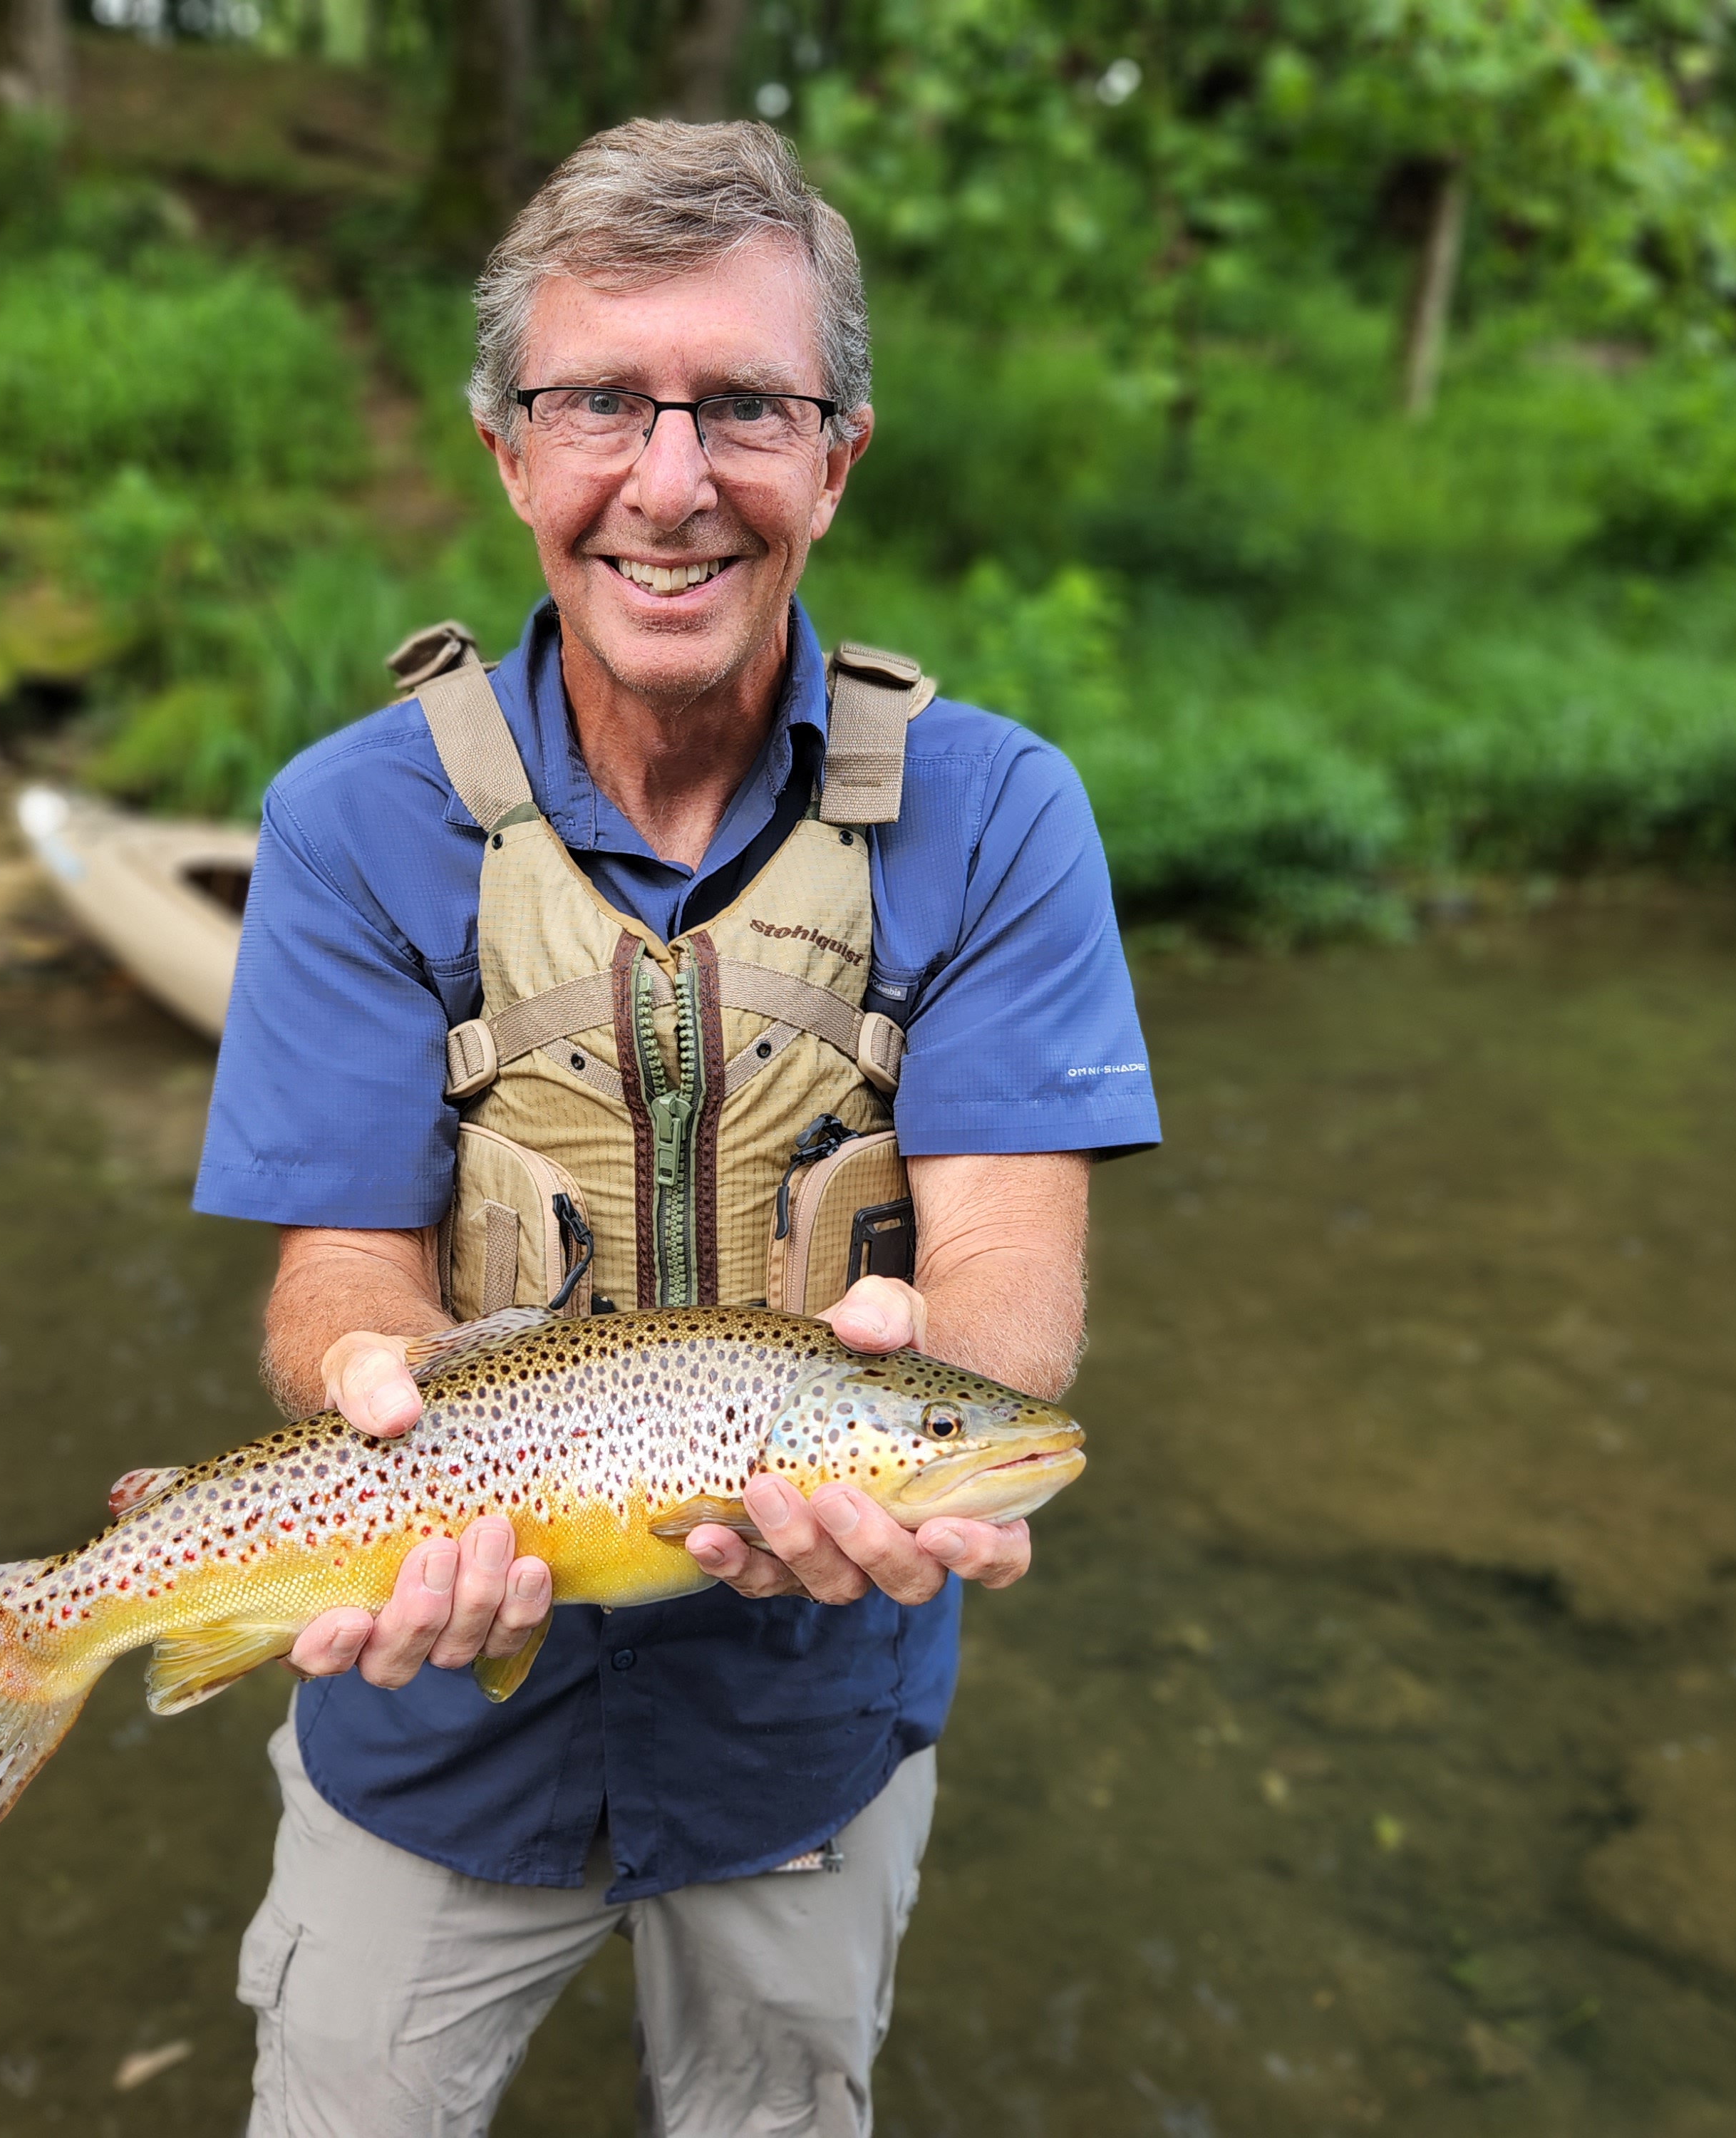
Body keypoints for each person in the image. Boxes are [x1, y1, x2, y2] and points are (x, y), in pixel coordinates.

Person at [192, 117, 1160, 2138]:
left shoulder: (999, 817)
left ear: (838, 455)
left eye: (743, 407)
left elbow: (1008, 1300)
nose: (668, 478)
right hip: (422, 1732)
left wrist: (934, 1403)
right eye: (600, 403)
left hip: (808, 1755)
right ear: (508, 454)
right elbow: (335, 1281)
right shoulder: (349, 824)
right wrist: (365, 1377)